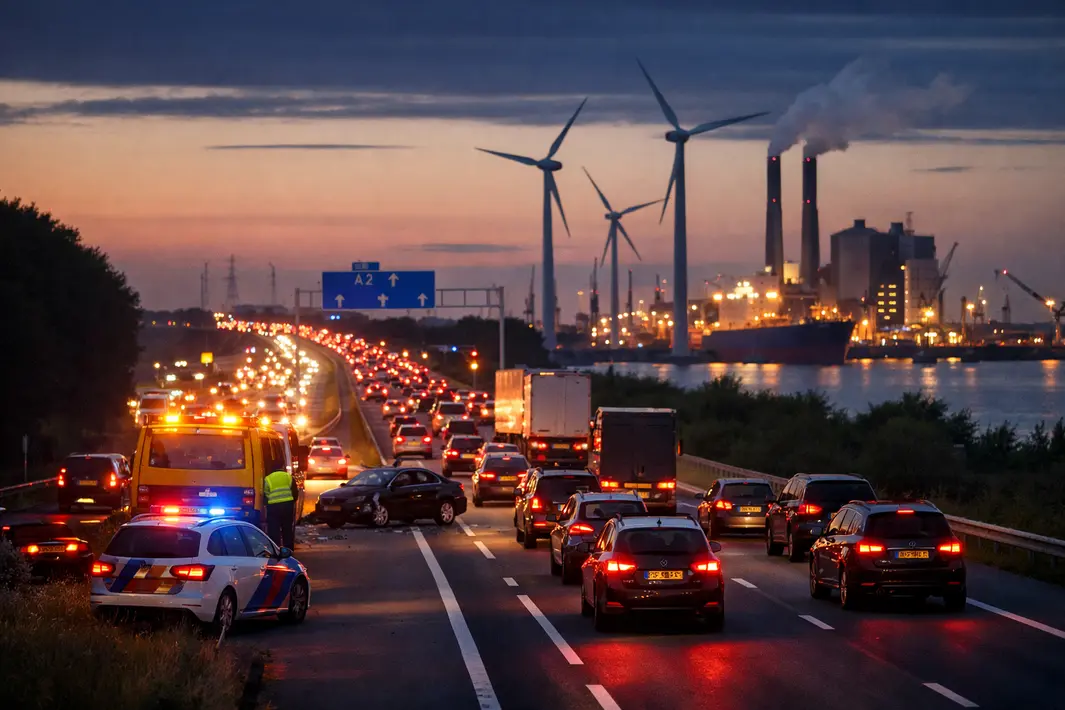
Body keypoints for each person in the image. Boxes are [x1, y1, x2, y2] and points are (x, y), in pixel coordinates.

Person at [263, 467, 298, 549]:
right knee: (287, 528)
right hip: (287, 506)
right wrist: (292, 501)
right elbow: (294, 492)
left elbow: (266, 493)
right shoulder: (288, 476)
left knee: (274, 529)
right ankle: (288, 549)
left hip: (273, 507)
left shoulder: (268, 478)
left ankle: (276, 549)